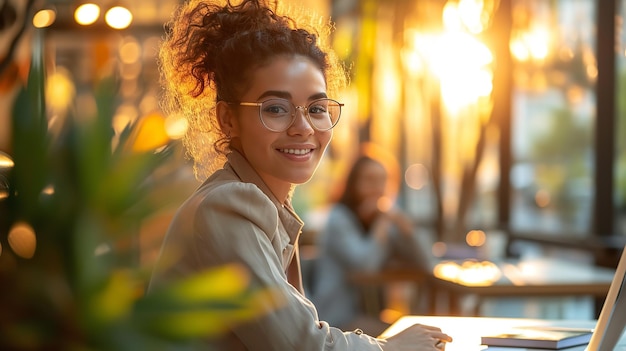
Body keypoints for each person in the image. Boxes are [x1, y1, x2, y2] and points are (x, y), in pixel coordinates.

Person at [148, 0, 452, 350]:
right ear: (228, 119)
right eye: (276, 108)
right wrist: (389, 348)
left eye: (317, 108)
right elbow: (301, 345)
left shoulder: (266, 204)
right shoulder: (228, 205)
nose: (303, 127)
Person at [310, 147, 429, 335]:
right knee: (407, 336)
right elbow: (365, 266)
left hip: (369, 317)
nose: (377, 187)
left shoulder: (383, 221)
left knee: (417, 331)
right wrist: (381, 224)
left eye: (383, 180)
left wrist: (406, 228)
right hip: (335, 320)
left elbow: (425, 263)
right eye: (369, 179)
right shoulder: (339, 219)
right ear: (353, 183)